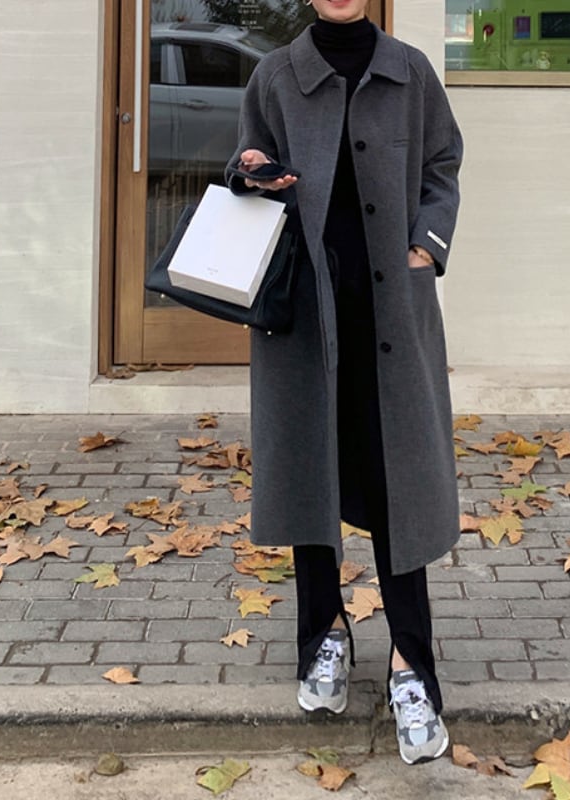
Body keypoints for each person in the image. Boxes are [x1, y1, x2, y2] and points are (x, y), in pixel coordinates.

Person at [225, 0, 463, 766]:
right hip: (306, 319)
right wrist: (250, 172)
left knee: (400, 484)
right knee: (311, 476)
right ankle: (323, 635)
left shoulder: (410, 73)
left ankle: (411, 663)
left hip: (392, 316)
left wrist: (427, 246)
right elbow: (245, 166)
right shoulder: (275, 76)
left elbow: (442, 165)